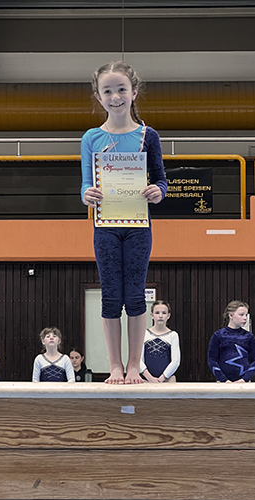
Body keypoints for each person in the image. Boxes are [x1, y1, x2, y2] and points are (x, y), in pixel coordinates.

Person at [81, 61, 167, 385]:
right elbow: (86, 182)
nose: (115, 97)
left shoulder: (148, 136)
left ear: (134, 92)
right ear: (98, 96)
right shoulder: (91, 138)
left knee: (135, 295)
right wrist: (86, 194)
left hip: (137, 226)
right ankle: (115, 366)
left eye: (121, 90)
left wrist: (158, 192)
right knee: (110, 296)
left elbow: (161, 180)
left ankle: (133, 366)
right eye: (107, 91)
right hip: (105, 226)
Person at [207, 300, 255, 383]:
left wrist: (245, 379)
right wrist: (223, 379)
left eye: (246, 315)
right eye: (241, 314)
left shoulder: (249, 336)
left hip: (244, 383)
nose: (245, 318)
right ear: (231, 315)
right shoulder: (218, 336)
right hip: (223, 383)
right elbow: (212, 360)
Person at [140, 300, 180, 383]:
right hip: (146, 379)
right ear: (152, 315)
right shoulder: (144, 333)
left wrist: (162, 378)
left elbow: (175, 361)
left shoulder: (173, 335)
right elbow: (138, 360)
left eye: (164, 313)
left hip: (167, 379)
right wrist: (150, 378)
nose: (160, 316)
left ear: (168, 315)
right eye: (157, 313)